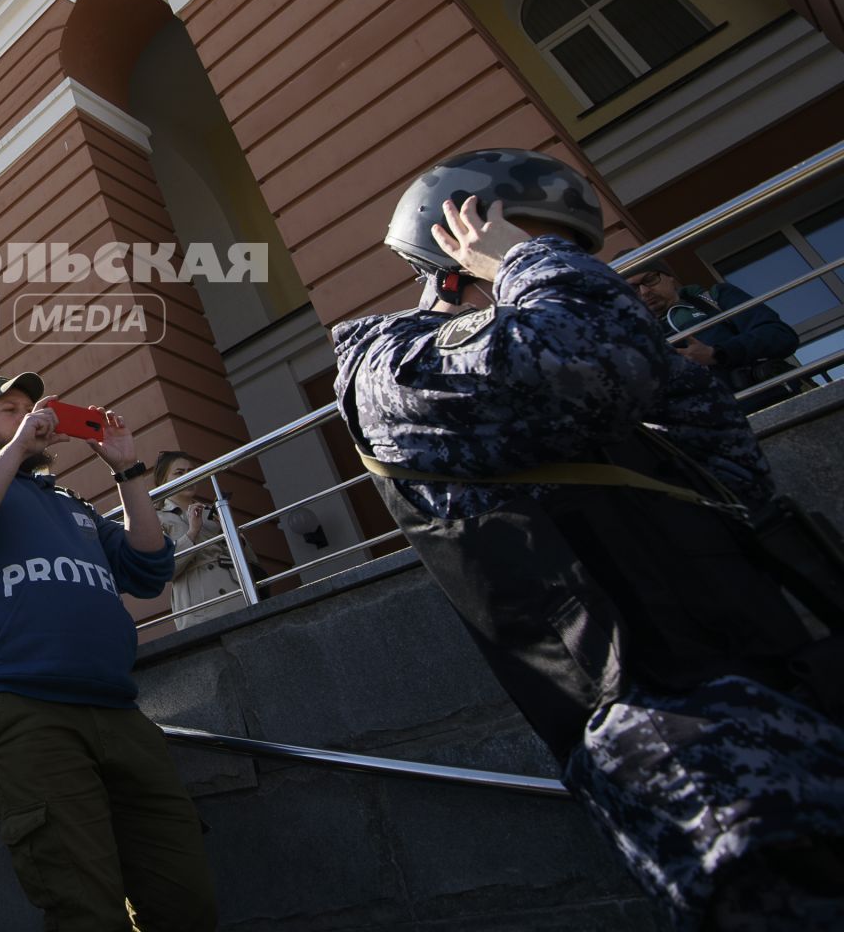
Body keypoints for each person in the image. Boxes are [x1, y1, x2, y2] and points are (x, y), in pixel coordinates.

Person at [332, 147, 844, 929]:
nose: (561, 270)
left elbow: (734, 472)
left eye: (567, 259)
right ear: (458, 250)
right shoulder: (389, 366)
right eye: (540, 250)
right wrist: (525, 262)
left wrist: (548, 281)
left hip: (782, 678)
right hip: (676, 738)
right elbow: (584, 359)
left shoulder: (577, 338)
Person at [0, 373, 217, 932]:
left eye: (35, 408)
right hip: (22, 708)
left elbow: (149, 570)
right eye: (10, 409)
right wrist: (14, 450)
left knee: (186, 897)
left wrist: (126, 469)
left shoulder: (70, 503)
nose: (33, 416)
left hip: (117, 708)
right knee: (84, 906)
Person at [625, 258, 804, 412]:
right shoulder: (640, 341)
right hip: (717, 434)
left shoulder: (715, 298)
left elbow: (780, 335)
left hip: (776, 402)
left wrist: (716, 353)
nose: (644, 292)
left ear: (669, 277)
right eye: (633, 288)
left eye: (650, 280)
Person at [150, 452, 269, 627]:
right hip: (200, 607)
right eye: (179, 472)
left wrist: (232, 532)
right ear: (163, 480)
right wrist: (192, 532)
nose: (188, 476)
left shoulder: (211, 511)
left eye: (191, 471)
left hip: (237, 594)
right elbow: (166, 568)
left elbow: (250, 560)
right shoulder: (156, 518)